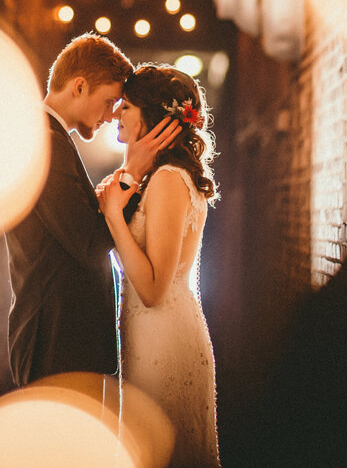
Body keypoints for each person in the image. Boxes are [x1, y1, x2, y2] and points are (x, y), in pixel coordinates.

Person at [6, 34, 180, 387]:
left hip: (66, 341)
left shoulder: (50, 138)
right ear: (80, 87)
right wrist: (131, 175)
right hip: (55, 342)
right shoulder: (44, 143)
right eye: (109, 101)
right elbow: (90, 243)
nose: (110, 115)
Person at [99, 64, 221, 467]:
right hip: (144, 338)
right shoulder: (153, 178)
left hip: (165, 344)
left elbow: (152, 290)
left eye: (126, 105)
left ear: (152, 117)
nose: (116, 113)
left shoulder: (169, 179)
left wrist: (115, 216)